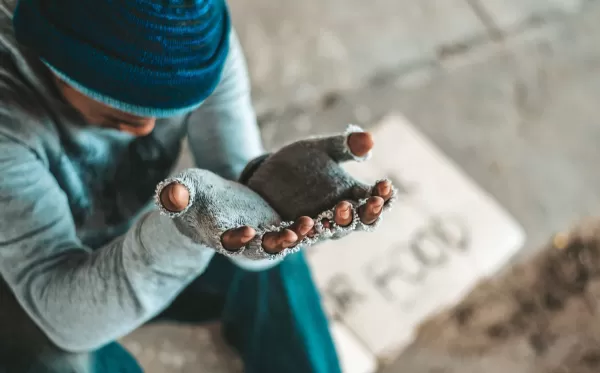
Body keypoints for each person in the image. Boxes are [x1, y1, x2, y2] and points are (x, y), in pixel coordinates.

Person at [0, 0, 391, 372]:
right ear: (52, 58)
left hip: (122, 228)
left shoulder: (198, 40)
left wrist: (267, 193)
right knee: (65, 359)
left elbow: (239, 194)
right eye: (119, 113)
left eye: (167, 110)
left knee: (274, 234)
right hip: (20, 277)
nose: (146, 129)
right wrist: (184, 230)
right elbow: (63, 314)